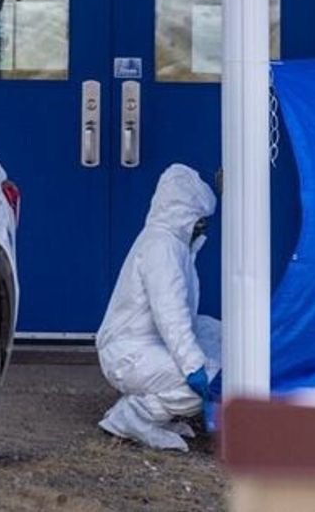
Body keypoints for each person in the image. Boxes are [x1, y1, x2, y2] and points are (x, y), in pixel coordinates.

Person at [96, 164, 221, 452]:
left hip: (144, 343)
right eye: (199, 220)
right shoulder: (161, 248)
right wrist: (194, 366)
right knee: (210, 379)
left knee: (222, 339)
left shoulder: (174, 245)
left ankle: (149, 408)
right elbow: (171, 315)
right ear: (184, 215)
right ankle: (133, 416)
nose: (203, 227)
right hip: (130, 353)